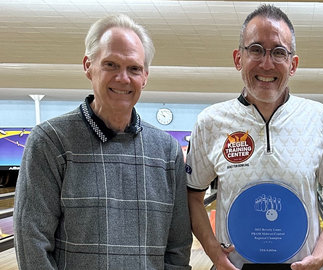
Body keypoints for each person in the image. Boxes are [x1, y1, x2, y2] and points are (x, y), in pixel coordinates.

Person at [13, 14, 192, 269]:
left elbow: (178, 247)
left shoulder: (167, 151)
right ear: (88, 65)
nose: (123, 78)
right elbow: (32, 244)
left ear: (145, 76)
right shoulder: (50, 142)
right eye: (111, 64)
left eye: (134, 68)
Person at [185, 4, 323, 270]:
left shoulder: (318, 118)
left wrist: (321, 253)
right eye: (255, 50)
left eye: (278, 52)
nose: (266, 63)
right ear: (238, 58)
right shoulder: (210, 122)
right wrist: (215, 254)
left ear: (293, 64)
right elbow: (193, 196)